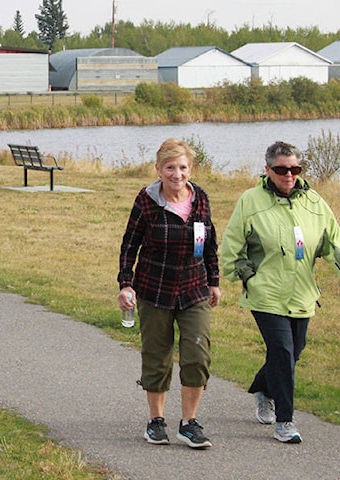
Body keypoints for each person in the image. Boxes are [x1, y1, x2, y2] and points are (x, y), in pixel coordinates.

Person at [221, 140, 340, 445]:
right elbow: (232, 245)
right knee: (283, 352)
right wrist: (247, 276)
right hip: (266, 294)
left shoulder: (313, 201)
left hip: (301, 294)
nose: (289, 175)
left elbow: (333, 239)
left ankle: (264, 388)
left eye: (295, 168)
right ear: (268, 170)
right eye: (282, 169)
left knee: (293, 351)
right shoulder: (250, 201)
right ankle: (285, 421)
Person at [118, 138, 219, 449]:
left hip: (193, 288)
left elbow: (210, 242)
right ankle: (156, 421)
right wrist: (126, 283)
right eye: (170, 167)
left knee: (197, 355)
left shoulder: (199, 198)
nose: (177, 174)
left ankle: (189, 423)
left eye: (183, 167)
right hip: (155, 289)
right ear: (158, 170)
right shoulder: (147, 201)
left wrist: (214, 280)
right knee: (158, 357)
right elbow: (130, 244)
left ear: (190, 169)